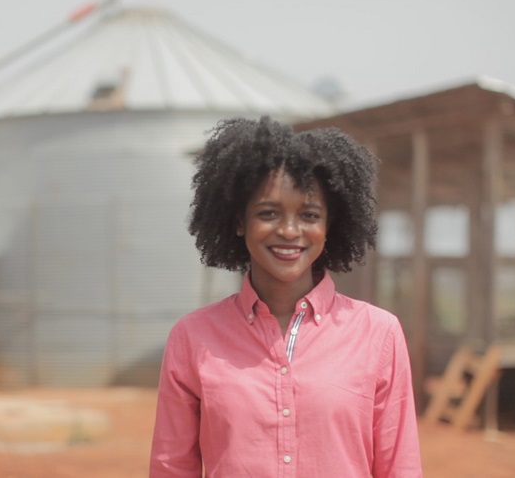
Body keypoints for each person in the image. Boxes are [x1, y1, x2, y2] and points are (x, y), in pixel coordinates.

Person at [150, 116, 422, 477]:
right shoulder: (192, 338)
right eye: (269, 213)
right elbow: (172, 468)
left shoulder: (379, 334)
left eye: (309, 215)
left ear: (329, 226)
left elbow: (399, 467)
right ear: (238, 222)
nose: (290, 230)